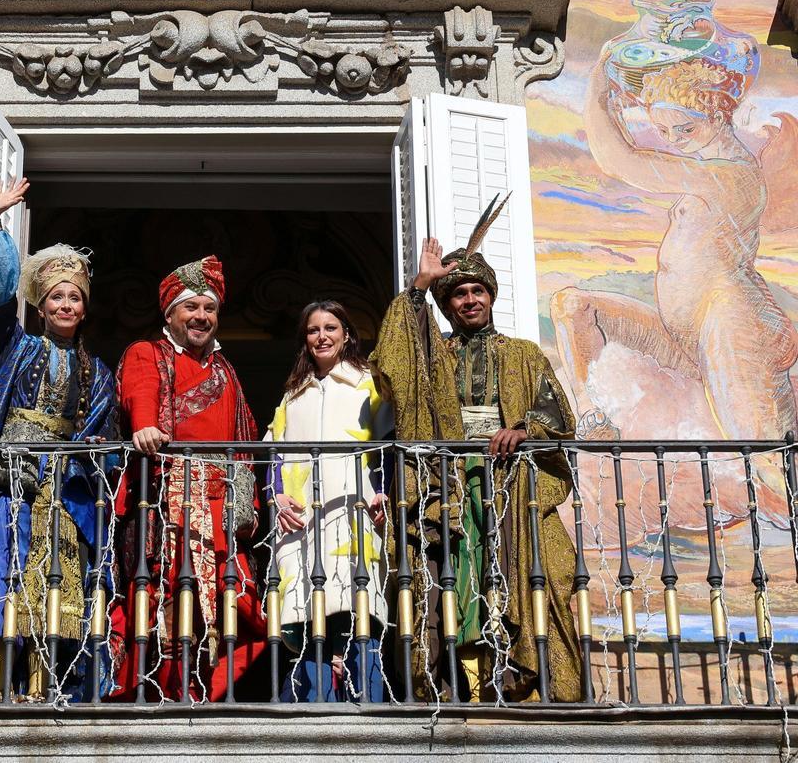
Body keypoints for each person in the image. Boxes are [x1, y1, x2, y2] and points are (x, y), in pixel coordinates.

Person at [370, 209, 582, 703]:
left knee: (521, 569)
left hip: (508, 484)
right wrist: (419, 288)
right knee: (451, 573)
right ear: (447, 305)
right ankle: (454, 678)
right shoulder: (433, 354)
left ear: (490, 297)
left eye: (477, 292)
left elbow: (556, 413)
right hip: (447, 482)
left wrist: (523, 429)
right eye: (459, 293)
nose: (469, 300)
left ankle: (510, 671)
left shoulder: (523, 354)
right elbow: (391, 364)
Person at [0, 178, 119, 702]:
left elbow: (102, 440)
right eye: (56, 296)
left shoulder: (99, 373)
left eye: (74, 298)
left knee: (56, 579)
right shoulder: (18, 347)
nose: (65, 304)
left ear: (84, 309)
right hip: (8, 479)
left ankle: (41, 682)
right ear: (40, 305)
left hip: (62, 488)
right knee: (4, 568)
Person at [550, 56, 797, 441]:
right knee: (573, 306)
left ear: (717, 114)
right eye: (664, 130)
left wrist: (598, 81)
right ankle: (591, 418)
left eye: (685, 127)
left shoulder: (733, 175)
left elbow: (621, 161)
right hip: (685, 333)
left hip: (732, 326)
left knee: (762, 458)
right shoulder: (706, 168)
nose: (675, 139)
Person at [107, 255, 266, 701]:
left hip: (219, 506)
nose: (201, 317)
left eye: (209, 309)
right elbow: (141, 393)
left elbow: (244, 438)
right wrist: (144, 426)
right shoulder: (148, 353)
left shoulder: (226, 370)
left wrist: (246, 503)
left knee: (224, 606)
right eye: (191, 307)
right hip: (167, 498)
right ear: (170, 313)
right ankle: (163, 688)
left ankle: (204, 689)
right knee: (166, 596)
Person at [265, 300, 391, 702]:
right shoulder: (292, 394)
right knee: (308, 615)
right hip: (299, 520)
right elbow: (274, 451)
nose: (322, 336)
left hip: (353, 510)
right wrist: (276, 495)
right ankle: (315, 705)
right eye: (313, 330)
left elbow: (388, 444)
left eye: (331, 328)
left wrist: (384, 490)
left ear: (347, 333)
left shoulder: (368, 383)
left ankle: (367, 703)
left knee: (358, 610)